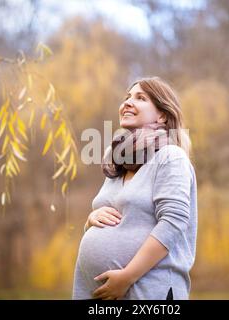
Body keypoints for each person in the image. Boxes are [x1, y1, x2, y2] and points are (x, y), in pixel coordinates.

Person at [72, 76, 198, 300]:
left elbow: (173, 223)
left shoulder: (170, 157)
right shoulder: (117, 164)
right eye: (127, 97)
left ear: (162, 115)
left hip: (148, 291)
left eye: (140, 98)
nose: (128, 103)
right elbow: (120, 222)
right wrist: (90, 220)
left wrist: (126, 277)